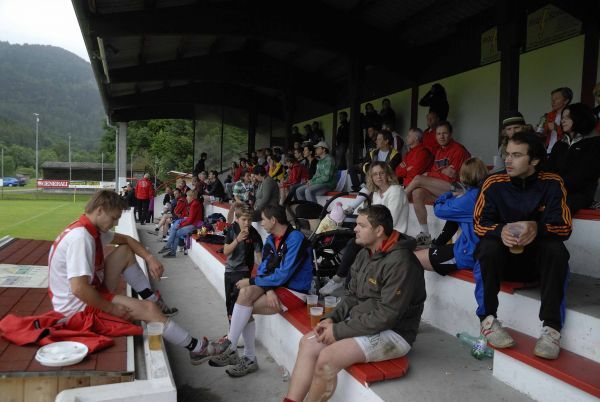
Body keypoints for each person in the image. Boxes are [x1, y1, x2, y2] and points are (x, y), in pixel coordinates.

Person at [47, 190, 213, 363]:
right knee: (149, 310)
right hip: (77, 309)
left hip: (88, 293)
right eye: (114, 218)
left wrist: (150, 259)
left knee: (125, 251)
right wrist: (111, 309)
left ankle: (154, 299)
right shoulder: (81, 238)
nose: (115, 223)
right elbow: (79, 289)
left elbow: (127, 240)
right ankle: (197, 349)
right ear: (100, 210)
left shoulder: (87, 229)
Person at [285, 205, 426, 402]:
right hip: (364, 321)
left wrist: (338, 331)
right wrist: (331, 319)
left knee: (327, 359)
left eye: (362, 225)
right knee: (307, 343)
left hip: (395, 332)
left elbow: (387, 315)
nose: (355, 229)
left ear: (379, 230)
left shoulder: (402, 262)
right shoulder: (364, 253)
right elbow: (351, 295)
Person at [473, 131, 571, 360]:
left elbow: (564, 227)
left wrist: (538, 228)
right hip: (503, 264)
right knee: (487, 247)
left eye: (516, 155)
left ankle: (551, 329)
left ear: (534, 160)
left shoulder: (552, 183)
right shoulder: (494, 183)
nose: (508, 160)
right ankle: (488, 320)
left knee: (556, 250)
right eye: (507, 154)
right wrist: (500, 231)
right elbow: (479, 224)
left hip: (537, 267)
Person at [205, 205, 313, 376]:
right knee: (244, 294)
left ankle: (240, 352)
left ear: (273, 220)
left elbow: (284, 274)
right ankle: (236, 349)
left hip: (295, 291)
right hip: (275, 286)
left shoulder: (296, 239)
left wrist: (252, 281)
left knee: (243, 308)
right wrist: (268, 289)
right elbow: (263, 268)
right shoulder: (271, 239)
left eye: (263, 219)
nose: (261, 223)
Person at [319, 162, 409, 296]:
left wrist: (366, 228)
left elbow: (390, 221)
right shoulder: (377, 193)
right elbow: (373, 218)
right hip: (377, 232)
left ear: (388, 174)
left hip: (392, 235)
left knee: (356, 245)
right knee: (350, 240)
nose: (378, 177)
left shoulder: (396, 191)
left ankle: (340, 282)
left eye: (382, 173)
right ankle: (344, 284)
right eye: (375, 174)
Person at [414, 158, 488, 275]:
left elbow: (438, 209)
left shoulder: (468, 198)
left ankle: (436, 244)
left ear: (462, 177)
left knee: (412, 258)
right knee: (455, 217)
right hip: (482, 248)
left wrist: (450, 193)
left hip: (469, 253)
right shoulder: (488, 192)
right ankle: (437, 244)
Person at [404, 121, 471, 246]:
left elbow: (451, 177)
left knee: (418, 178)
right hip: (445, 188)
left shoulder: (458, 150)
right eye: (439, 134)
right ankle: (425, 235)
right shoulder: (439, 151)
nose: (441, 136)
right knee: (417, 193)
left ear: (450, 134)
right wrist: (441, 171)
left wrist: (431, 174)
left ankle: (401, 197)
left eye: (445, 133)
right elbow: (437, 173)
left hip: (461, 189)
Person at [547, 102, 600, 213]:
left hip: (582, 195)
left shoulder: (595, 143)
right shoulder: (559, 144)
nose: (563, 121)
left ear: (580, 118)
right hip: (556, 191)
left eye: (568, 117)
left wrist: (557, 188)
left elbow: (585, 174)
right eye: (562, 117)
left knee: (556, 206)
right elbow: (549, 170)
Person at [160, 190, 204, 258]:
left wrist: (181, 225)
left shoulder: (194, 204)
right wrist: (181, 224)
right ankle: (170, 249)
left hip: (195, 225)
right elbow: (189, 218)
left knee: (176, 233)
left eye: (187, 196)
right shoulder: (194, 203)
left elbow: (190, 220)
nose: (186, 198)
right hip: (193, 223)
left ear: (192, 197)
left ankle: (171, 250)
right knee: (175, 229)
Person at [537, 87, 573, 153]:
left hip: (564, 150)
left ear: (566, 101)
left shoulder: (572, 115)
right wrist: (540, 131)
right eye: (552, 99)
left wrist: (556, 128)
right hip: (548, 150)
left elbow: (573, 134)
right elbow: (543, 135)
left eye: (556, 99)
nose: (553, 102)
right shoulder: (548, 115)